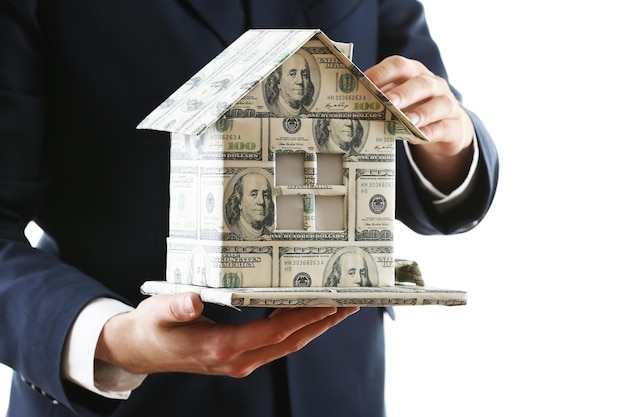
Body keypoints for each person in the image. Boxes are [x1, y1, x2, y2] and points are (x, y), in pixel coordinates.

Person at [0, 1, 499, 417]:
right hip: (141, 395)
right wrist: (107, 338)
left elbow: (412, 138)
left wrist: (449, 141)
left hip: (341, 389)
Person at [224, 170, 275, 240]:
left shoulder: (269, 235)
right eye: (253, 194)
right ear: (239, 202)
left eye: (266, 195)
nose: (261, 201)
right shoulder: (234, 231)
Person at [263, 52, 316, 117]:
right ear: (278, 81)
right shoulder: (272, 110)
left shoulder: (308, 115)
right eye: (292, 74)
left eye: (304, 75)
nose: (300, 81)